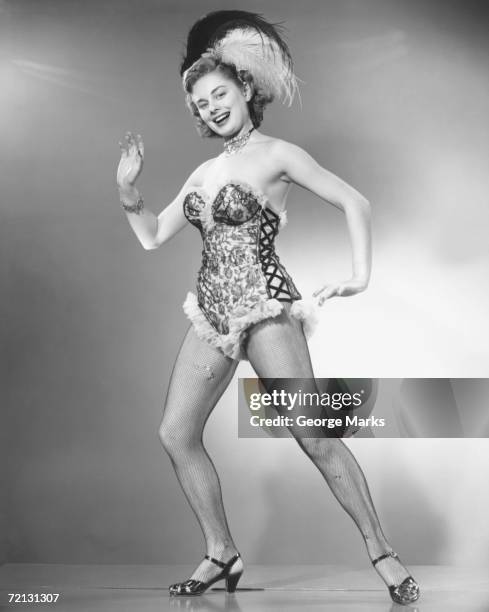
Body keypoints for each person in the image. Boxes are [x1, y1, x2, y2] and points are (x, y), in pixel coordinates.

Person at [116, 10, 420, 606]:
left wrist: (360, 277)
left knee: (315, 436)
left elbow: (353, 200)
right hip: (211, 314)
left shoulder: (279, 154)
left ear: (246, 90)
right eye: (201, 104)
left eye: (219, 95)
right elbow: (153, 236)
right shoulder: (205, 172)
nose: (210, 109)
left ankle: (383, 553)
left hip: (265, 308)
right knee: (175, 434)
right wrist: (129, 193)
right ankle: (220, 551)